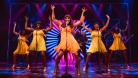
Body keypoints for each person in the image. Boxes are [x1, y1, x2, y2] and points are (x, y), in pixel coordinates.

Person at [51, 5, 86, 75]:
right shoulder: (61, 24)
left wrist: (83, 12)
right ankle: (55, 69)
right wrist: (52, 10)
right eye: (66, 18)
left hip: (71, 41)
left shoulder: (71, 26)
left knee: (76, 55)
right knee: (59, 56)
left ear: (70, 19)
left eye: (68, 18)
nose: (67, 19)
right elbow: (53, 19)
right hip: (64, 41)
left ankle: (78, 70)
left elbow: (81, 21)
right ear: (64, 19)